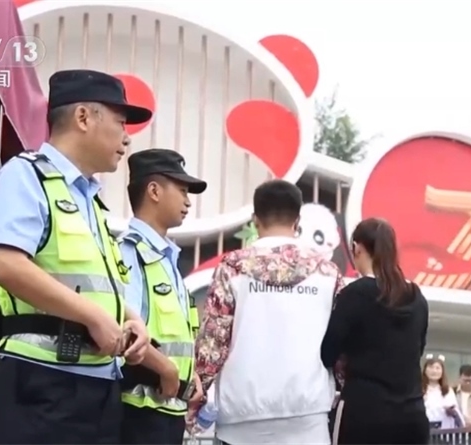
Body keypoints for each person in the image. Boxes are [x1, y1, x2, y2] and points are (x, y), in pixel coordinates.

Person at [0, 69, 152, 444]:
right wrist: (93, 316)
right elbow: (5, 264)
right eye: (120, 122)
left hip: (98, 386)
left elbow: (92, 284)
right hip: (40, 382)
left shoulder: (93, 202)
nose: (127, 138)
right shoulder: (27, 176)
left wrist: (131, 319)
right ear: (83, 117)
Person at [193, 180, 342, 445]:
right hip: (309, 416)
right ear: (297, 221)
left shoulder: (232, 268)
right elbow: (341, 345)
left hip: (240, 420)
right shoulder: (328, 273)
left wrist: (198, 397)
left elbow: (212, 345)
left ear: (255, 219)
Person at [118, 149, 208, 444]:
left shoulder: (166, 258)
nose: (188, 201)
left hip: (168, 409)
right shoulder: (130, 253)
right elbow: (122, 329)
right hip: (137, 410)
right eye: (182, 190)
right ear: (154, 191)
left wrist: (189, 374)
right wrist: (165, 368)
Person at [320, 217, 430, 444]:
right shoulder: (416, 297)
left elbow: (327, 353)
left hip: (364, 414)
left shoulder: (354, 294)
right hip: (412, 417)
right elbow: (417, 350)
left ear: (357, 248)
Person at [422, 355, 462, 430]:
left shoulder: (447, 390)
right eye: (431, 367)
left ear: (442, 371)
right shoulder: (419, 389)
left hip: (444, 428)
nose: (434, 371)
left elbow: (454, 408)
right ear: (425, 370)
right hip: (423, 427)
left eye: (437, 368)